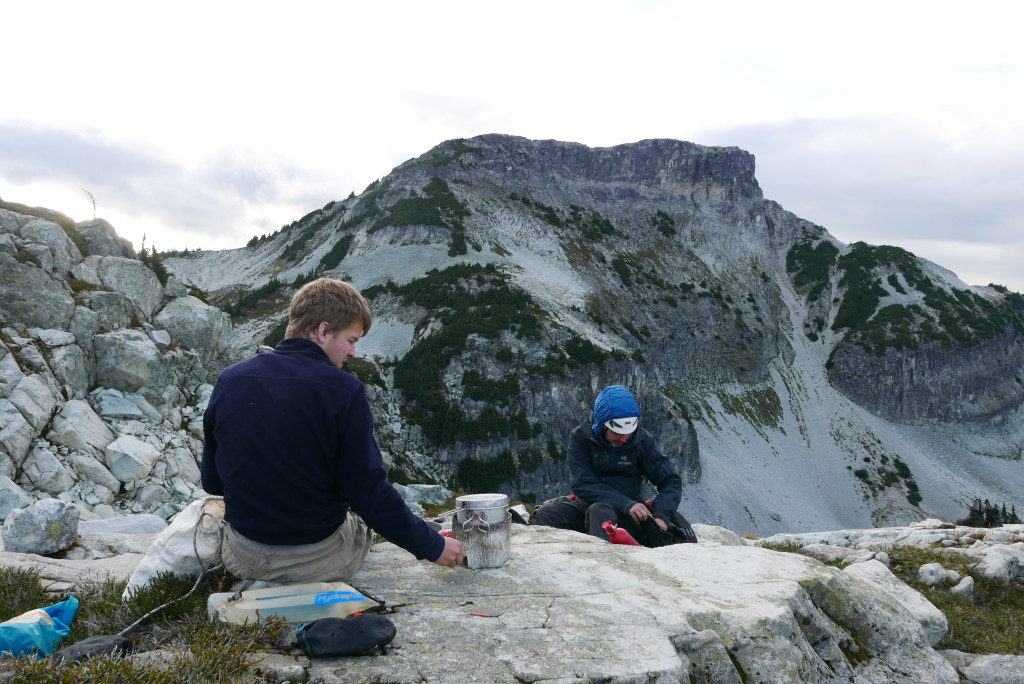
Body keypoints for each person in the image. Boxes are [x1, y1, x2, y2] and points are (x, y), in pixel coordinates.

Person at [201, 278, 464, 582]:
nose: (353, 353)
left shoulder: (231, 379)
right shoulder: (344, 390)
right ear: (323, 332)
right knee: (357, 518)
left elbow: (213, 483)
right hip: (316, 561)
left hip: (243, 556)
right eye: (351, 340)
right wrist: (433, 546)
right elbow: (369, 495)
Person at [531, 385, 697, 545]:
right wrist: (625, 504)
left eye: (628, 433)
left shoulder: (642, 440)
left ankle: (606, 566)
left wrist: (662, 515)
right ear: (602, 425)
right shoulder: (580, 438)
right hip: (594, 507)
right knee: (546, 513)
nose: (624, 439)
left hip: (627, 517)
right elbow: (583, 484)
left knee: (599, 511)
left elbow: (670, 481)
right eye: (617, 433)